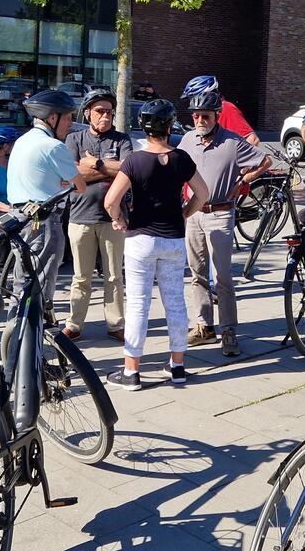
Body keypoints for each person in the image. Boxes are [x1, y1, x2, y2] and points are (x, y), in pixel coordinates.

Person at [103, 99, 209, 390]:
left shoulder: (134, 161)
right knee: (175, 302)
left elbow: (111, 201)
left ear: (143, 126)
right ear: (170, 125)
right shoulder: (181, 158)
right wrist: (185, 213)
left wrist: (119, 219)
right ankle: (176, 366)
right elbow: (203, 193)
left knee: (138, 304)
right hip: (173, 238)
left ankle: (131, 371)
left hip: (141, 238)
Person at [182, 88, 270, 357]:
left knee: (222, 276)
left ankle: (229, 330)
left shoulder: (232, 142)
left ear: (216, 116)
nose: (199, 120)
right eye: (196, 116)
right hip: (193, 213)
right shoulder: (187, 140)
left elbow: (265, 160)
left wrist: (244, 180)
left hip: (220, 213)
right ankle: (203, 325)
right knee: (197, 274)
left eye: (205, 116)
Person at [63, 88, 132, 341]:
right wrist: (111, 170)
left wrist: (97, 164)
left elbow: (129, 170)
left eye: (109, 112)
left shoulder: (122, 139)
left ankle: (115, 324)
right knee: (81, 276)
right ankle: (74, 324)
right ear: (88, 113)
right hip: (80, 217)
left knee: (114, 275)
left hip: (114, 219)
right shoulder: (75, 139)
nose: (105, 116)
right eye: (100, 111)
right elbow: (73, 175)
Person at [6, 89, 86, 311]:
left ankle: (16, 328)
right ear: (53, 117)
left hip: (18, 216)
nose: (70, 123)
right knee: (42, 278)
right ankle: (35, 334)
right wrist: (66, 180)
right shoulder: (53, 146)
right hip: (43, 220)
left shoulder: (22, 141)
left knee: (22, 278)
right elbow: (80, 186)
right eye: (68, 117)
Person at [182, 75, 259, 146]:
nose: (192, 102)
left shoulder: (226, 108)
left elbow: (252, 140)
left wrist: (233, 159)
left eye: (192, 98)